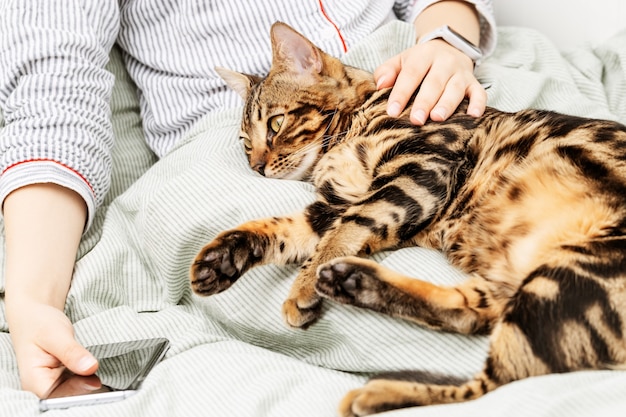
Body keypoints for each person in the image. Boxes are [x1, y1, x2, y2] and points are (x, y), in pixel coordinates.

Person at [0, 0, 495, 398]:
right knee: (373, 292)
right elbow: (53, 95)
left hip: (410, 76)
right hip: (226, 128)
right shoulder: (249, 153)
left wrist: (445, 43)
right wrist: (31, 301)